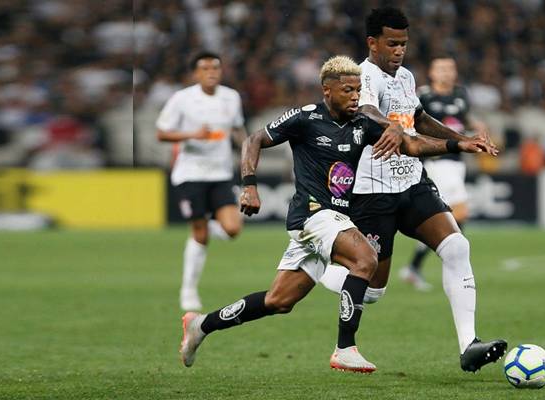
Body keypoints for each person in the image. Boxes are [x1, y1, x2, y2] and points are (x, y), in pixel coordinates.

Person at [179, 55, 489, 373]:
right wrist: (249, 185)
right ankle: (345, 348)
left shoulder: (362, 125)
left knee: (278, 300)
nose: (355, 97)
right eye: (347, 91)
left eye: (358, 91)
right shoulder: (305, 118)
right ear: (327, 91)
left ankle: (202, 325)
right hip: (312, 214)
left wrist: (457, 145)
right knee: (365, 258)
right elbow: (254, 139)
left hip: (335, 216)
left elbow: (411, 145)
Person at [319, 7, 507, 373]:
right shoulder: (363, 76)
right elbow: (368, 112)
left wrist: (462, 139)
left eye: (404, 43)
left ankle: (469, 344)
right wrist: (389, 126)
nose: (399, 50)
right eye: (392, 43)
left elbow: (419, 119)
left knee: (457, 246)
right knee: (373, 290)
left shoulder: (405, 76)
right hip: (373, 190)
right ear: (373, 43)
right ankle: (319, 269)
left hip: (412, 182)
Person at [156, 51, 247, 311]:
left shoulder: (231, 97)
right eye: (205, 68)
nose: (211, 72)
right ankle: (188, 289)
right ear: (196, 73)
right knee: (200, 233)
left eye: (215, 68)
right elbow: (162, 133)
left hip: (220, 173)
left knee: (232, 229)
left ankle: (208, 224)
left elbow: (238, 129)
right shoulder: (182, 99)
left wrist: (248, 149)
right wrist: (192, 134)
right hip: (191, 174)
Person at [400, 56, 492, 291]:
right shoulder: (423, 95)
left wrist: (477, 127)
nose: (446, 73)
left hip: (456, 162)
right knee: (457, 215)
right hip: (437, 162)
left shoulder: (461, 94)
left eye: (450, 68)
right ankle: (448, 263)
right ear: (431, 72)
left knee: (454, 217)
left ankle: (418, 265)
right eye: (440, 68)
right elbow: (414, 123)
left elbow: (462, 118)